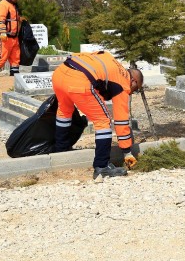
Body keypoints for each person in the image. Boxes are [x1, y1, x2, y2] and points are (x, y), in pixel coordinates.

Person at [51, 50, 143, 179]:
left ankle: (61, 151)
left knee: (64, 111)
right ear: (133, 80)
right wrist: (127, 152)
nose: (132, 92)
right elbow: (121, 121)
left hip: (59, 74)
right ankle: (102, 166)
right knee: (103, 120)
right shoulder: (123, 83)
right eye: (136, 89)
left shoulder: (111, 59)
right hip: (79, 80)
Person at [0, 0, 21, 76]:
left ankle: (14, 77)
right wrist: (2, 32)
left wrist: (21, 19)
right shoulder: (3, 5)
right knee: (2, 57)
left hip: (13, 37)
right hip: (4, 37)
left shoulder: (12, 5)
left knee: (15, 58)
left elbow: (13, 19)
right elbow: (0, 20)